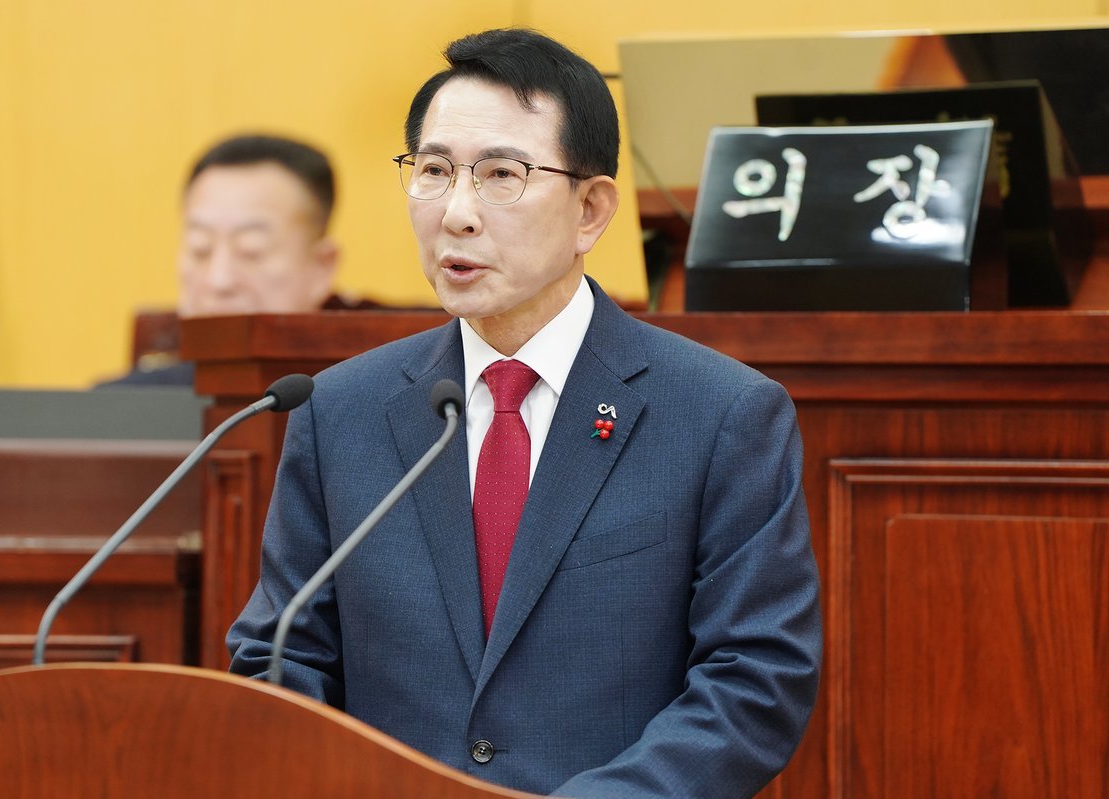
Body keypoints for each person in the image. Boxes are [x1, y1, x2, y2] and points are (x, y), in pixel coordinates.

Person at [228, 28, 821, 799]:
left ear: (590, 210)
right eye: (434, 171)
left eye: (501, 174)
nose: (457, 213)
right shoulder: (339, 412)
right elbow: (281, 657)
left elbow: (754, 682)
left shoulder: (721, 415)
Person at [100, 133, 342, 387]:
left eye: (251, 251)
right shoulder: (117, 403)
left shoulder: (358, 402)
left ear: (322, 267)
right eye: (200, 249)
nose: (219, 281)